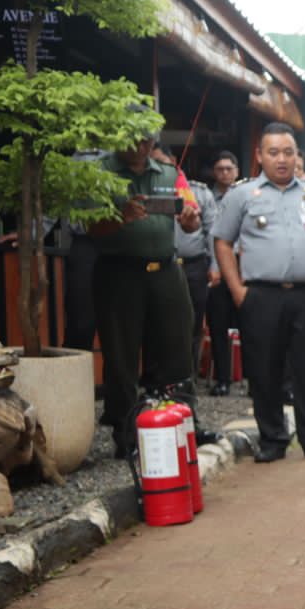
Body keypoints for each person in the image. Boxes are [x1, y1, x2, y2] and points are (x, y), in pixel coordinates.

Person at [212, 122, 305, 464]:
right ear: (260, 156)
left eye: (288, 152)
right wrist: (237, 290)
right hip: (261, 296)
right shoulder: (242, 195)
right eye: (273, 152)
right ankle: (273, 439)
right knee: (264, 370)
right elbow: (222, 242)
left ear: (296, 156)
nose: (281, 159)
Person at [85, 128, 203, 458]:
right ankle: (125, 432)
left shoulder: (170, 172)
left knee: (177, 348)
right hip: (119, 272)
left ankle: (181, 422)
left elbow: (192, 220)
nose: (140, 146)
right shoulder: (100, 173)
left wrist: (190, 218)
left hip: (165, 271)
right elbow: (88, 227)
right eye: (133, 139)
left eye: (147, 139)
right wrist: (120, 218)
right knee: (121, 356)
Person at [152, 146, 216, 379]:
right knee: (159, 323)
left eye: (162, 162)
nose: (158, 167)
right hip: (160, 264)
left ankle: (187, 375)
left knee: (192, 323)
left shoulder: (196, 192)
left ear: (173, 161)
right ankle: (157, 377)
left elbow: (212, 232)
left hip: (193, 266)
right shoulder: (147, 190)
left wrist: (214, 266)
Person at [204, 150, 242, 395]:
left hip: (244, 267)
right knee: (217, 326)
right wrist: (214, 267)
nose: (225, 173)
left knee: (250, 325)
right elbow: (210, 236)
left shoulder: (248, 196)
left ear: (237, 171)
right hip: (217, 267)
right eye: (220, 169)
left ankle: (253, 380)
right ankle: (223, 380)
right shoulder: (208, 198)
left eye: (229, 169)